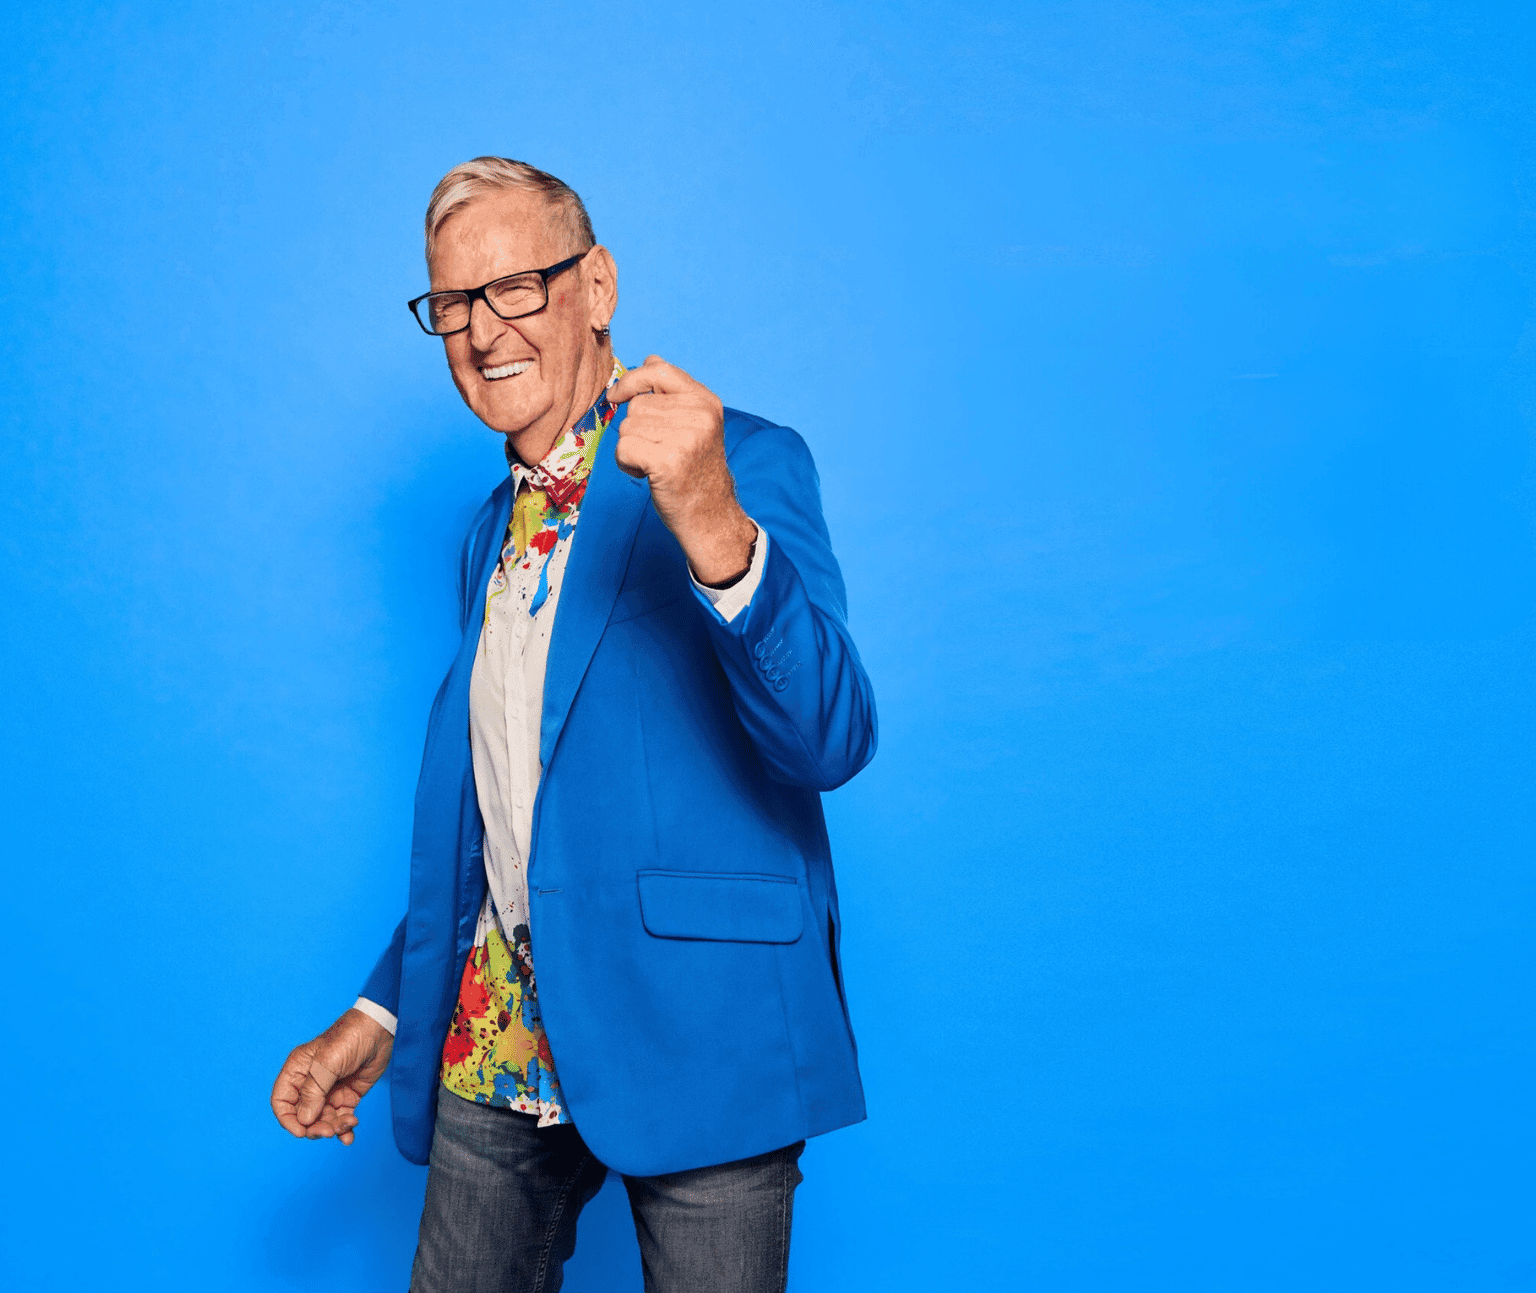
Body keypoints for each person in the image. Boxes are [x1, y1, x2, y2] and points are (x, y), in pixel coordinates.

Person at [270, 156, 877, 1293]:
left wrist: (710, 520)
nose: (482, 331)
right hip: (497, 1035)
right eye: (452, 303)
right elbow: (504, 820)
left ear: (597, 287)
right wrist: (383, 1007)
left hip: (707, 1032)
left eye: (518, 288)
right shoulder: (482, 531)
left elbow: (829, 740)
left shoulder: (744, 460)